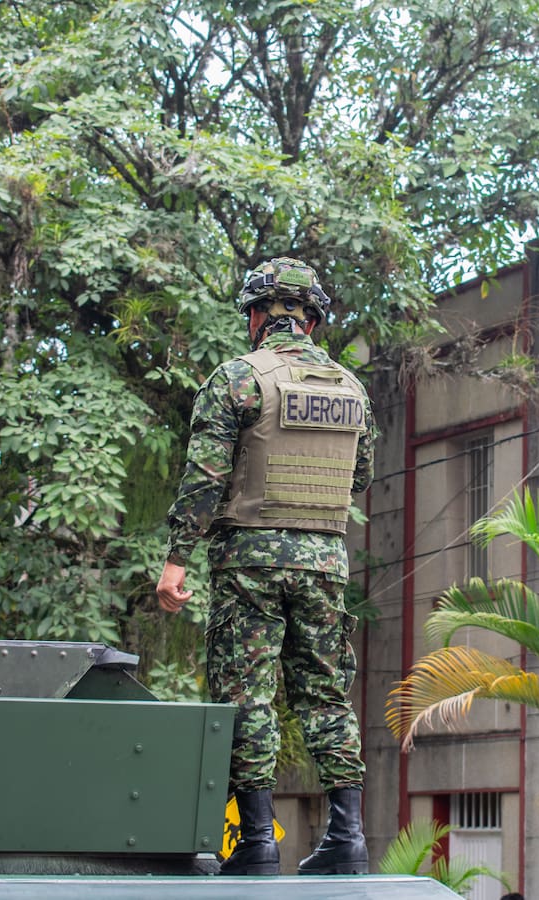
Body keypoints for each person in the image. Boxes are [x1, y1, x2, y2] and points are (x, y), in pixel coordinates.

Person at [156, 256, 375, 877]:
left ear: (257, 316)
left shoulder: (237, 379)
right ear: (311, 318)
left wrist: (177, 559)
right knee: (326, 694)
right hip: (325, 562)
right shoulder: (351, 390)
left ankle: (256, 843)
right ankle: (348, 841)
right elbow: (358, 479)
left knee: (246, 693)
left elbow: (204, 479)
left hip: (249, 560)